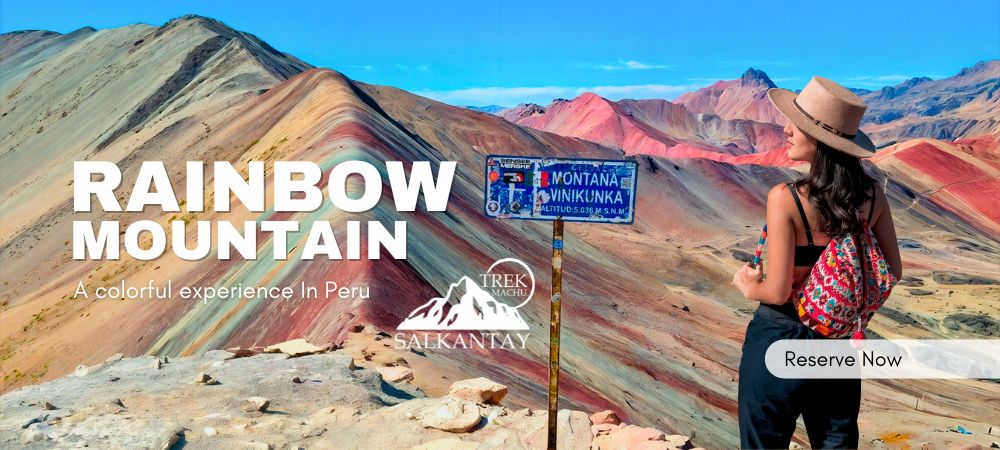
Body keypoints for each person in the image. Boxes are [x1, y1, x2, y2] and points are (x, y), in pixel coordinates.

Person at [731, 76, 903, 449]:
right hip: (836, 341)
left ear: (821, 139)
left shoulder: (786, 198)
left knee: (764, 442)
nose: (786, 129)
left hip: (781, 333)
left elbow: (778, 292)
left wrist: (747, 285)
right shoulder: (873, 196)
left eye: (797, 124)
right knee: (835, 441)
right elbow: (894, 270)